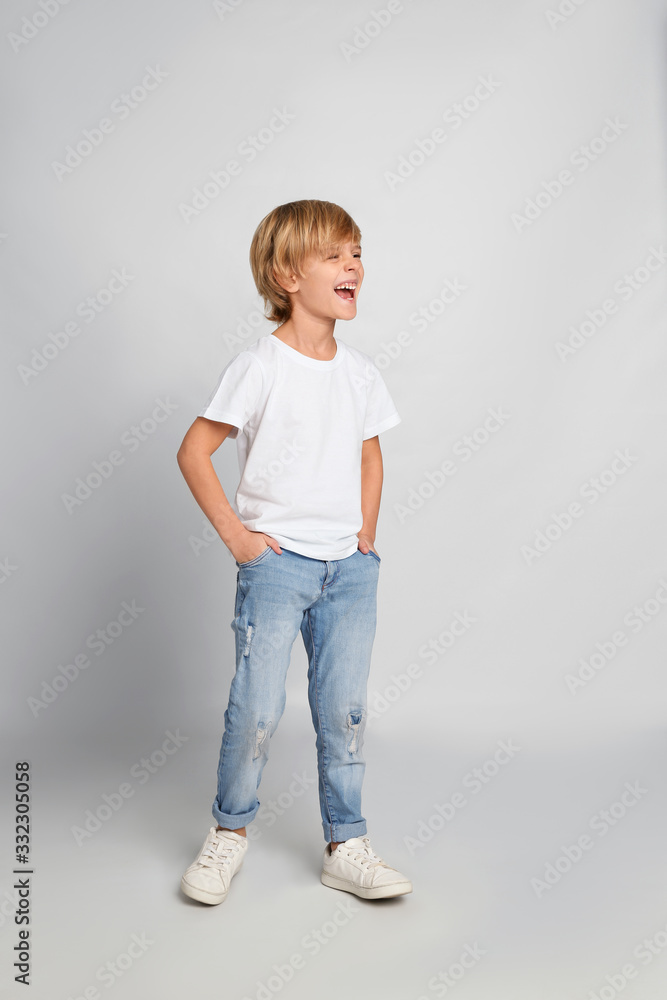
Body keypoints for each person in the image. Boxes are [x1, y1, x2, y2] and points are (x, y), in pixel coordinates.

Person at [177, 199, 412, 905]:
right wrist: (240, 540)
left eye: (357, 253)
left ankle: (346, 843)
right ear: (286, 274)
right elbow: (194, 452)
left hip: (348, 573)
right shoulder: (259, 365)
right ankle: (228, 834)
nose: (354, 266)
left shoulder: (360, 372)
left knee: (344, 710)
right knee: (255, 709)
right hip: (276, 567)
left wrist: (364, 540)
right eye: (335, 255)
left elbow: (370, 456)